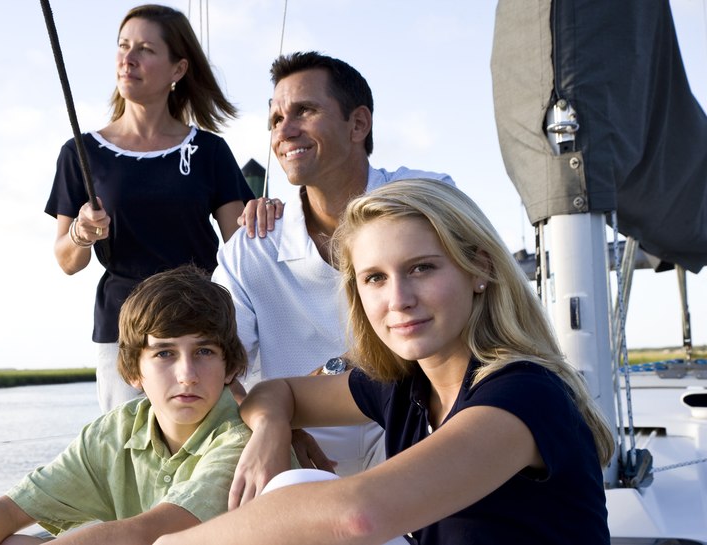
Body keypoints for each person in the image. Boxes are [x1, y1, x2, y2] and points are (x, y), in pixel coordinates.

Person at [157, 180, 614, 545]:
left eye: (422, 268)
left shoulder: (523, 396)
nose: (398, 300)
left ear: (478, 269)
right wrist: (274, 429)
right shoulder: (406, 386)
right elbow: (276, 392)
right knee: (291, 482)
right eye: (375, 278)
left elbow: (358, 516)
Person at [212, 51, 454, 475]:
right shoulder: (250, 248)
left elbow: (474, 311)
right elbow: (214, 361)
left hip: (424, 426)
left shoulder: (428, 200)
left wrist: (337, 367)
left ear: (358, 124)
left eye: (304, 110)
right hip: (301, 449)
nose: (284, 131)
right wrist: (272, 423)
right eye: (274, 119)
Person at [0, 265, 251, 545]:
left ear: (229, 365)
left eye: (205, 351)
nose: (187, 375)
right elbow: (9, 510)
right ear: (133, 371)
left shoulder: (243, 442)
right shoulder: (114, 432)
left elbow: (150, 533)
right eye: (164, 353)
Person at [45, 4, 253, 412]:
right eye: (123, 47)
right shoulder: (81, 153)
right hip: (124, 332)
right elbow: (68, 262)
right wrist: (80, 234)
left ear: (178, 69)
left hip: (200, 331)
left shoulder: (209, 151)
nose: (128, 58)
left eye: (145, 49)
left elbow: (241, 249)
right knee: (133, 458)